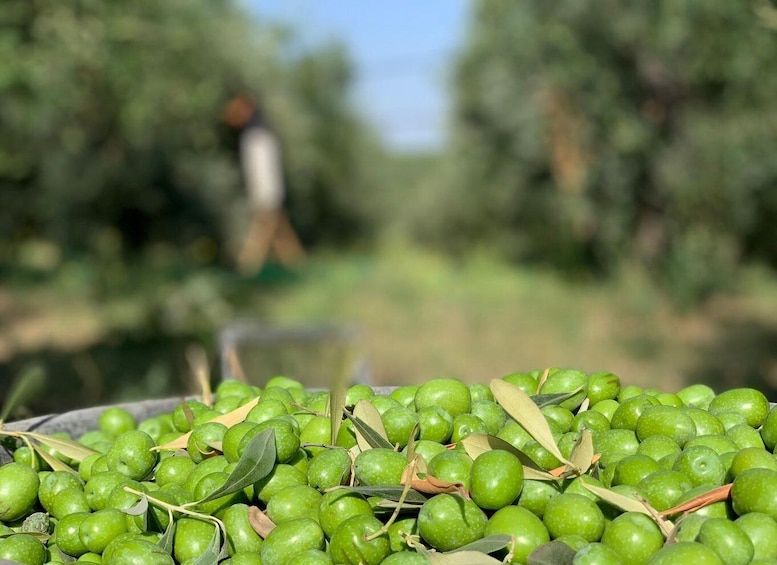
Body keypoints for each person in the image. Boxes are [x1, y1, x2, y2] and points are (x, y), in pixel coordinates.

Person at [223, 93, 305, 274]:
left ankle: (247, 267)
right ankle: (295, 264)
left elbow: (263, 172)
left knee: (263, 228)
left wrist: (263, 195)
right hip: (267, 192)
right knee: (279, 229)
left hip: (265, 192)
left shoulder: (258, 138)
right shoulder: (259, 135)